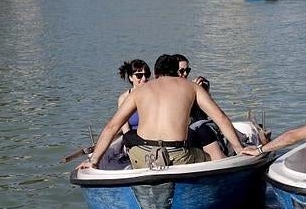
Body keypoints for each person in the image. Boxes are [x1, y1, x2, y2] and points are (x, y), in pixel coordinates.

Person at [76, 54, 244, 170]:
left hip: (142, 156)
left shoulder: (138, 92)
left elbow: (112, 127)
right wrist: (239, 149)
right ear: (177, 72)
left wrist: (93, 160)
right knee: (211, 156)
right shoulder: (191, 87)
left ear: (155, 73)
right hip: (178, 156)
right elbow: (220, 118)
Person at [117, 60, 151, 134]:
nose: (144, 79)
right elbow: (125, 129)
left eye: (147, 75)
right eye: (139, 76)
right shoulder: (123, 98)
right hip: (133, 139)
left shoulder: (155, 94)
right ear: (131, 78)